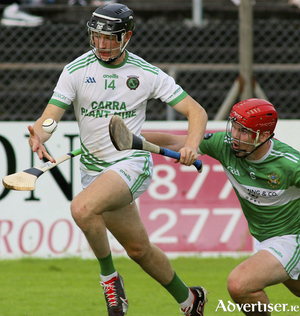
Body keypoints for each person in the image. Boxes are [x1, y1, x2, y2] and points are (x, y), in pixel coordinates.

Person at [27, 3, 208, 316]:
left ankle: (109, 280)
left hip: (130, 164)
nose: (103, 45)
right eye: (97, 37)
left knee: (82, 208)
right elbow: (49, 119)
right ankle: (190, 300)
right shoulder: (76, 70)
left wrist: (191, 144)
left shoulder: (146, 73)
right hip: (94, 172)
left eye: (111, 38)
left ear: (128, 37)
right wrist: (39, 137)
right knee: (139, 250)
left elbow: (197, 111)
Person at [143, 98, 300, 316]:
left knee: (241, 285)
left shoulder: (290, 164)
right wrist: (128, 137)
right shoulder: (224, 144)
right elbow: (172, 141)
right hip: (265, 239)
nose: (235, 135)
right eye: (234, 126)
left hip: (292, 238)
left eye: (244, 131)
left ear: (263, 136)